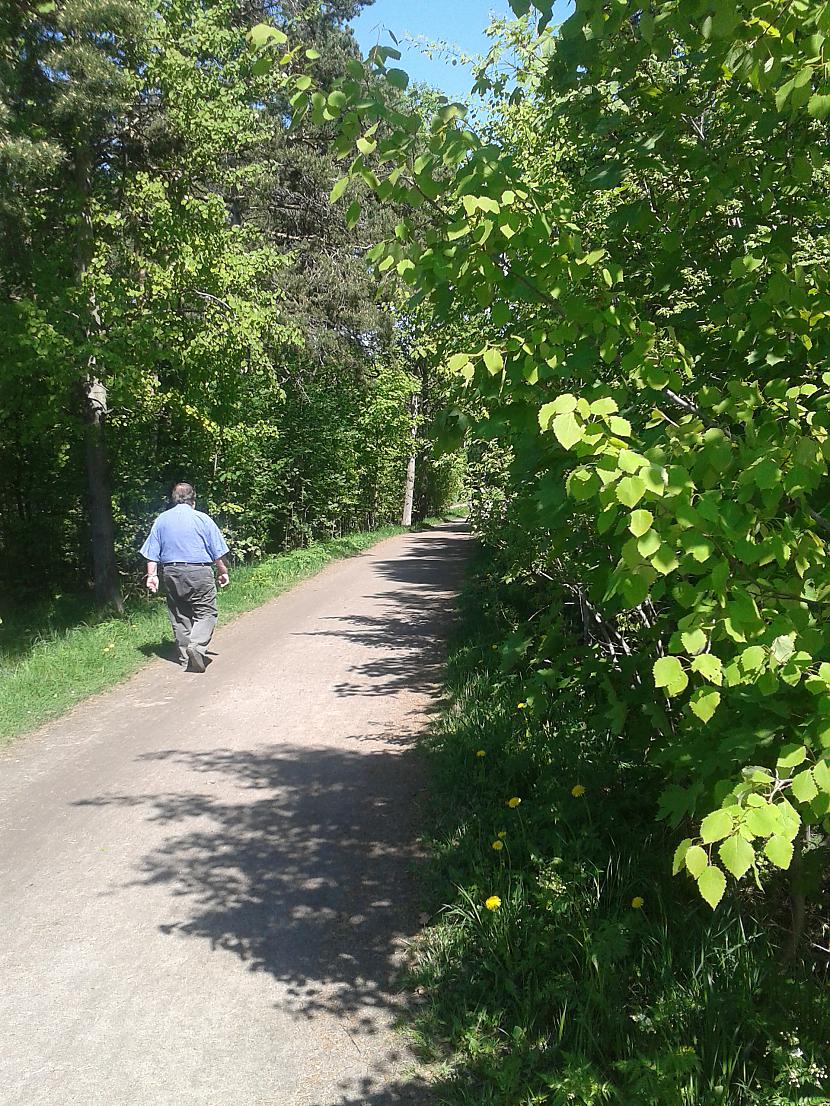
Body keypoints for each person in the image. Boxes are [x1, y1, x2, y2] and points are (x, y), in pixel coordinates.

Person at [140, 482, 230, 672]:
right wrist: (223, 572)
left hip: (171, 572)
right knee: (206, 612)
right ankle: (196, 647)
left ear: (174, 499)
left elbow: (151, 552)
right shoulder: (202, 519)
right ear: (193, 500)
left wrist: (152, 576)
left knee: (180, 615)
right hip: (199, 571)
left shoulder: (161, 520)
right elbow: (217, 551)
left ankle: (185, 658)